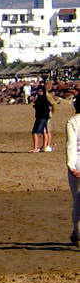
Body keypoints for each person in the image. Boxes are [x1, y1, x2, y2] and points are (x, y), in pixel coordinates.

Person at [66, 94, 80, 246]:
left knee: (77, 201)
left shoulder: (72, 121)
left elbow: (71, 145)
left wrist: (70, 165)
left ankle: (77, 232)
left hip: (77, 162)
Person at [32, 82, 57, 153]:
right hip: (41, 115)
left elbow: (54, 104)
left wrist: (51, 112)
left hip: (45, 115)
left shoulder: (47, 96)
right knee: (44, 131)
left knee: (47, 131)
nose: (39, 92)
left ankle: (47, 146)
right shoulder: (38, 97)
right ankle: (44, 146)